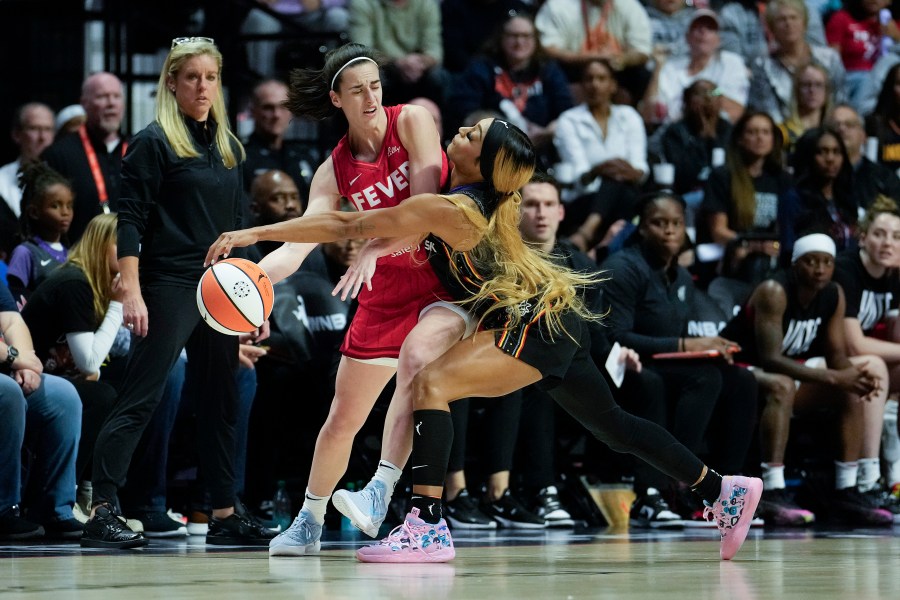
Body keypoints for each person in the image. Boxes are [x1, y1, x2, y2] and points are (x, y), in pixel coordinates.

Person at [207, 117, 764, 563]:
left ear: (484, 161)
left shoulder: (453, 209)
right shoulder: (487, 196)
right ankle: (724, 491)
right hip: (551, 317)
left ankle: (425, 526)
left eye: (473, 135)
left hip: (532, 325)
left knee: (430, 381)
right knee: (614, 427)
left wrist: (256, 232)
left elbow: (347, 227)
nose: (463, 132)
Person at [226, 43, 468, 556]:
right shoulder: (333, 170)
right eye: (357, 89)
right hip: (385, 292)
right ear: (336, 99)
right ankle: (309, 521)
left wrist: (374, 250)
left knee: (415, 370)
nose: (371, 96)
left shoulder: (414, 121)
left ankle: (380, 491)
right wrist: (250, 283)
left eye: (376, 85)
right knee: (342, 417)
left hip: (441, 279)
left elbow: (426, 210)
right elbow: (299, 245)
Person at [78, 37, 275, 549]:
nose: (203, 86)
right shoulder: (152, 141)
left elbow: (238, 228)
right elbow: (130, 221)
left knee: (222, 399)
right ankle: (102, 509)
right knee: (142, 396)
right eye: (192, 77)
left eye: (210, 77)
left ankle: (225, 513)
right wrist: (133, 289)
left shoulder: (230, 147)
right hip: (167, 283)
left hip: (219, 287)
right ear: (171, 82)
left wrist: (253, 298)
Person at [600, 192, 759, 527]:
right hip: (625, 365)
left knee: (740, 381)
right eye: (659, 223)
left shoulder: (682, 277)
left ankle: (726, 493)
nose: (670, 231)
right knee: (685, 380)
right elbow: (616, 336)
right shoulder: (623, 268)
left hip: (665, 363)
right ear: (642, 228)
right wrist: (687, 344)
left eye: (676, 224)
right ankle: (665, 490)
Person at [720, 232, 893, 525]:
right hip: (739, 368)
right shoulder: (774, 291)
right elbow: (770, 358)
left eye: (827, 262)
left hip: (789, 369)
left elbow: (837, 356)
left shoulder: (833, 294)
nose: (820, 269)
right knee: (782, 385)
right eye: (811, 261)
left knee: (850, 388)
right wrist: (834, 377)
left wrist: (854, 377)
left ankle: (846, 489)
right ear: (795, 264)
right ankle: (773, 489)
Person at [20, 214, 122, 514]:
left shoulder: (93, 283)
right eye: (125, 246)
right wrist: (118, 303)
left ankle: (95, 492)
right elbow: (89, 363)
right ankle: (65, 492)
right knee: (103, 397)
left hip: (54, 376)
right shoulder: (75, 283)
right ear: (103, 245)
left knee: (130, 387)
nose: (134, 256)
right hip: (26, 377)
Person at [832, 196, 900, 519]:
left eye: (897, 237)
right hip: (827, 358)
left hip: (859, 358)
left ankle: (896, 476)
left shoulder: (893, 273)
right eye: (879, 234)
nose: (888, 243)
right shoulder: (847, 268)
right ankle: (869, 479)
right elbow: (855, 345)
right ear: (863, 236)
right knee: (874, 367)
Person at [0, 280, 83, 540]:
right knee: (8, 394)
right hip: (5, 368)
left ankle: (52, 509)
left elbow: (13, 321)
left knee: (64, 397)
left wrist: (25, 361)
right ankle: (4, 510)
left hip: (7, 364)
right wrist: (14, 358)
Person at [553, 58, 647, 251]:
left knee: (620, 186)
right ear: (581, 85)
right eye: (589, 79)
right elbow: (580, 175)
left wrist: (626, 171)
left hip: (627, 194)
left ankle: (587, 233)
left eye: (601, 78)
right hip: (584, 199)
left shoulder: (629, 116)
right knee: (615, 183)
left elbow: (641, 167)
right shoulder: (569, 120)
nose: (595, 84)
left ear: (613, 85)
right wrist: (601, 170)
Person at [448, 14, 573, 159]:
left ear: (535, 40)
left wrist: (550, 131)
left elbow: (567, 112)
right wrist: (504, 133)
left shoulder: (549, 69)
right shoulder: (482, 67)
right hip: (493, 152)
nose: (519, 42)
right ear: (502, 38)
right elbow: (463, 110)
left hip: (542, 149)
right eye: (513, 36)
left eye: (526, 36)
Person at [697, 111, 797, 286]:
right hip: (732, 255)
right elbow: (719, 231)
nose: (760, 138)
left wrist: (773, 246)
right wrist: (754, 246)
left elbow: (787, 228)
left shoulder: (782, 179)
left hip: (772, 253)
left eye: (766, 132)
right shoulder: (722, 176)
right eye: (752, 132)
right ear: (740, 138)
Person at [41, 72, 126, 243]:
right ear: (84, 104)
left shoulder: (137, 150)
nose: (111, 103)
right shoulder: (59, 154)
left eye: (116, 96)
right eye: (102, 96)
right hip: (79, 259)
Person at [642, 9, 749, 125]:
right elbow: (649, 114)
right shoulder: (671, 67)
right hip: (674, 132)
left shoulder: (731, 63)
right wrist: (658, 69)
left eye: (710, 28)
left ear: (718, 40)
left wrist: (711, 93)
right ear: (688, 37)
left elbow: (736, 111)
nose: (703, 31)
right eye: (697, 27)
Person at [747, 0, 845, 126]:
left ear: (804, 23)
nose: (789, 23)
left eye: (794, 18)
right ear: (771, 28)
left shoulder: (830, 59)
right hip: (783, 133)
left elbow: (840, 100)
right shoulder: (763, 66)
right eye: (781, 20)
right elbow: (768, 111)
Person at [348, 0, 449, 108]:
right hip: (383, 66)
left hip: (417, 67)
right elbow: (362, 52)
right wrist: (398, 63)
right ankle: (375, 123)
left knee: (439, 77)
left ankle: (437, 122)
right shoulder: (363, 4)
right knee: (369, 77)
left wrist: (418, 62)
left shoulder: (427, 4)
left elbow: (434, 53)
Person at [6, 162, 73, 300]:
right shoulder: (25, 252)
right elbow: (16, 299)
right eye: (55, 206)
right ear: (34, 212)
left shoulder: (71, 253)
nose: (65, 212)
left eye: (69, 205)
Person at [242, 79, 312, 204]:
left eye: (283, 107)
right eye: (268, 108)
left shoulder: (303, 158)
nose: (276, 115)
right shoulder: (240, 160)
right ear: (253, 111)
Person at [0, 103, 55, 260]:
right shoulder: (1, 180)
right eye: (34, 129)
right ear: (17, 134)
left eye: (48, 129)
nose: (42, 137)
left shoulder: (64, 178)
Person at [790, 127, 857, 251]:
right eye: (822, 152)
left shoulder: (847, 198)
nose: (830, 159)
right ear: (808, 156)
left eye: (836, 152)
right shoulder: (794, 199)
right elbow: (789, 250)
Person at [825, 0, 899, 111]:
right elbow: (832, 61)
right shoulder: (842, 18)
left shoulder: (895, 25)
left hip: (886, 84)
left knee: (890, 60)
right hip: (850, 81)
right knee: (865, 78)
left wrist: (897, 37)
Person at [826, 104, 900, 211]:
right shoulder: (814, 178)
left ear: (863, 135)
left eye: (849, 124)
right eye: (835, 125)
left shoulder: (884, 179)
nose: (842, 129)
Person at [777, 64, 836, 154]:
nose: (812, 90)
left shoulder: (835, 130)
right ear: (796, 91)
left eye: (818, 85)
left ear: (826, 91)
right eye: (806, 85)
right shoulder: (782, 132)